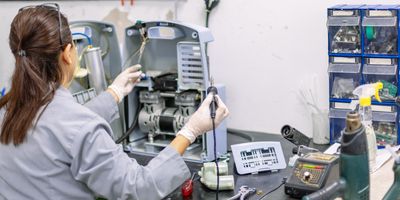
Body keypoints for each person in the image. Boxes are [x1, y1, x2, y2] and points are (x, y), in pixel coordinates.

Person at [0, 4, 229, 200]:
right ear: (68, 53)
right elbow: (140, 187)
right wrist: (190, 131)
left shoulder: (7, 108)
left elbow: (62, 129)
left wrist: (114, 93)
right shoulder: (77, 126)